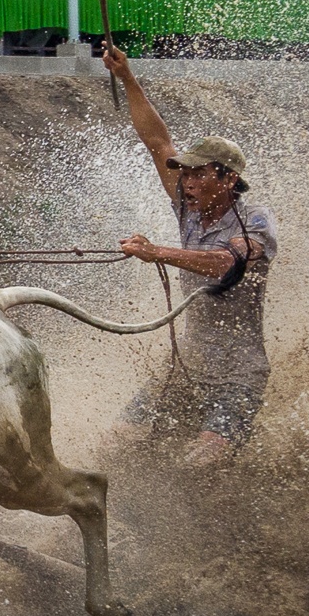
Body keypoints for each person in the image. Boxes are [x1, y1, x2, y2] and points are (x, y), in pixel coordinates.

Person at [103, 44, 278, 468]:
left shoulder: (255, 222)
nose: (188, 180)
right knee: (120, 442)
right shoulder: (188, 204)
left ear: (228, 178)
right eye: (185, 171)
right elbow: (156, 140)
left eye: (200, 172)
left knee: (202, 461)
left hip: (238, 373)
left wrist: (155, 252)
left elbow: (226, 264)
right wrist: (127, 77)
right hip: (187, 363)